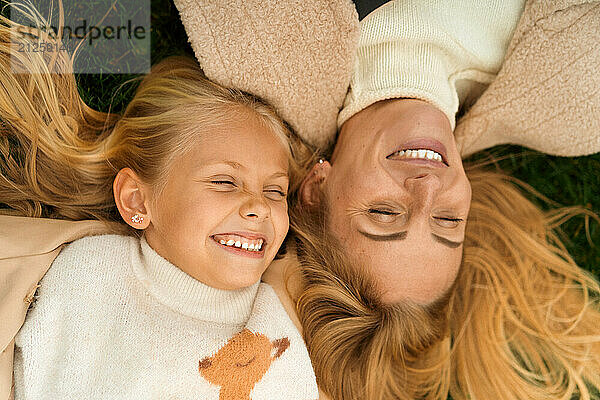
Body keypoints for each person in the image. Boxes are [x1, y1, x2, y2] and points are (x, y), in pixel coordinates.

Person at [176, 0, 600, 399]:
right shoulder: (581, 98)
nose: (429, 187)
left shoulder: (258, 39)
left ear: (315, 188)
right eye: (448, 220)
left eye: (384, 213)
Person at [0, 13, 318, 400]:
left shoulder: (282, 314)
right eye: (224, 182)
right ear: (138, 200)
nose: (258, 207)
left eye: (275, 191)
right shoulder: (90, 275)